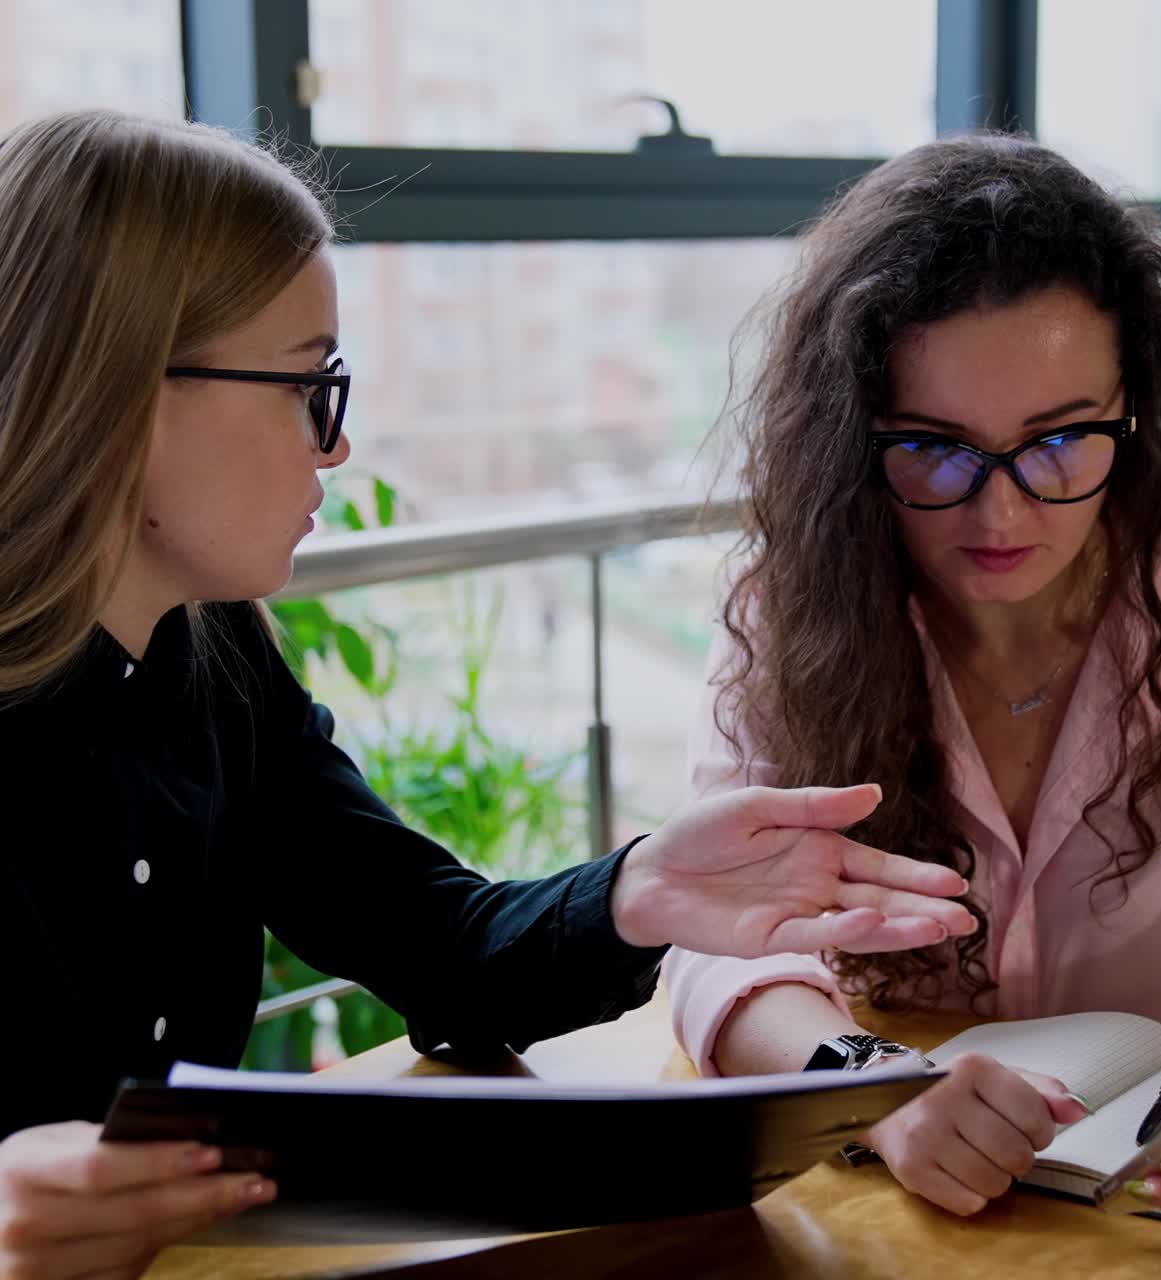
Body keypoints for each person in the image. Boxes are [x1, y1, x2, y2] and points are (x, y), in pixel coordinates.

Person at [0, 110, 979, 1278]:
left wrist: (643, 886)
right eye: (310, 384)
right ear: (123, 386)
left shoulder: (215, 666)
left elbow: (437, 946)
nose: (335, 447)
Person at [665, 133, 1161, 1242]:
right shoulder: (783, 612)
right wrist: (869, 1082)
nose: (999, 517)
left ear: (1130, 416)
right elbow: (715, 942)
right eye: (933, 450)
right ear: (855, 440)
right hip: (904, 1219)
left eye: (1057, 443)